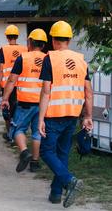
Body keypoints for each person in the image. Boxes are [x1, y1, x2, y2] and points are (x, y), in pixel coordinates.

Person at [38, 21, 93, 207]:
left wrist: (40, 119)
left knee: (46, 151)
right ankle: (55, 194)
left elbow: (46, 91)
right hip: (72, 115)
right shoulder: (81, 60)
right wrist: (88, 116)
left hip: (54, 114)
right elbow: (88, 92)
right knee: (62, 153)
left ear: (53, 39)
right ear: (69, 39)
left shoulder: (50, 58)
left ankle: (70, 181)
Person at [1, 29, 47, 173]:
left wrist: (5, 98)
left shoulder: (23, 58)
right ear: (44, 44)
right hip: (42, 103)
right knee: (37, 132)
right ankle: (35, 162)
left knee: (17, 129)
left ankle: (24, 152)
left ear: (30, 42)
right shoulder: (48, 59)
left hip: (25, 102)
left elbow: (12, 80)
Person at [0, 25, 27, 142]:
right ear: (17, 36)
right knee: (18, 110)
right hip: (22, 85)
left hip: (8, 85)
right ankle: (17, 133)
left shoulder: (3, 49)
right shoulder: (24, 49)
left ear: (7, 37)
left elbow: (0, 69)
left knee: (7, 110)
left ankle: (10, 135)